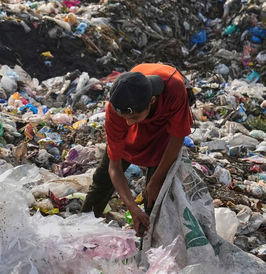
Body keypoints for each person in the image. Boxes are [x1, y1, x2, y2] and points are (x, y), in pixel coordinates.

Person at [82, 64, 194, 236]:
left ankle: (149, 242)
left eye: (133, 117)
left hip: (162, 133)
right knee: (102, 180)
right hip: (130, 138)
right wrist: (132, 207)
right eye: (124, 118)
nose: (128, 122)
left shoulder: (174, 89)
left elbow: (177, 137)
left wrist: (156, 180)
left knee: (157, 195)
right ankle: (83, 229)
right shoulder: (116, 111)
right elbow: (114, 167)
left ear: (152, 101)